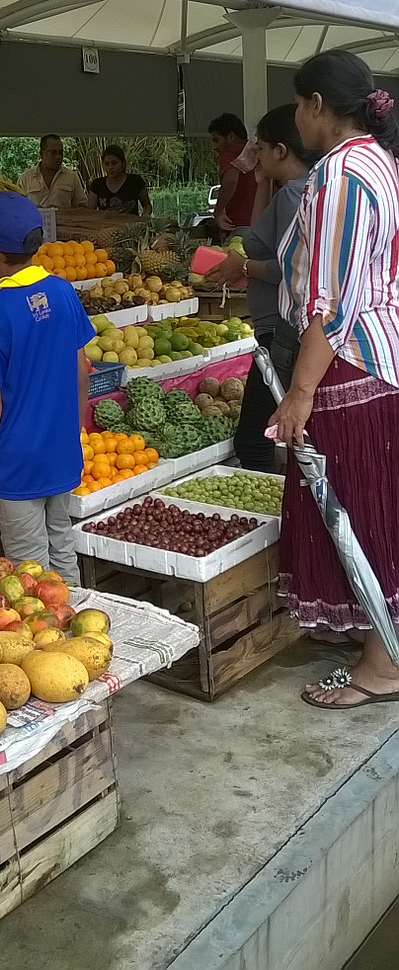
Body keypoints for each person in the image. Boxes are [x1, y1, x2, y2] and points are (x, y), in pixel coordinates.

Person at [270, 50, 399, 710]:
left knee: (358, 515)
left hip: (347, 362)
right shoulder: (379, 160)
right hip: (376, 358)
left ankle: (381, 666)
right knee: (377, 508)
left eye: (298, 105)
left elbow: (329, 303)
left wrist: (298, 393)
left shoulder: (343, 174)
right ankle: (383, 645)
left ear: (317, 104)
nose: (297, 118)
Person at [0, 192, 94, 582]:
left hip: (17, 463)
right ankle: (83, 631)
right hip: (61, 452)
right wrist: (74, 430)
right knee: (62, 549)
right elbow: (82, 371)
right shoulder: (64, 291)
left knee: (30, 572)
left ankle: (54, 642)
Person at [205, 105, 316, 472]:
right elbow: (258, 238)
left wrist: (243, 267)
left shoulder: (293, 196)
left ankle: (274, 517)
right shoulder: (300, 190)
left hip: (280, 331)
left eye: (261, 148)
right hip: (281, 328)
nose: (254, 156)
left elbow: (289, 268)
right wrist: (264, 181)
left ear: (281, 150)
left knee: (253, 440)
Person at [208, 112, 258, 232]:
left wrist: (218, 212)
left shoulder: (230, 152)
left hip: (238, 223)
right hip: (262, 222)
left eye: (217, 140)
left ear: (231, 137)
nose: (214, 147)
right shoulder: (257, 151)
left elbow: (231, 180)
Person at [18, 134, 87, 208]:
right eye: (53, 152)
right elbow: (18, 207)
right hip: (35, 219)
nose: (58, 156)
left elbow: (82, 205)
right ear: (41, 154)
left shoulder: (72, 177)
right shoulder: (25, 179)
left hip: (65, 219)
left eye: (60, 152)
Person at [87, 145, 152, 217]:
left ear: (123, 163)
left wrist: (145, 215)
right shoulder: (97, 185)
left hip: (131, 226)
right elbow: (91, 212)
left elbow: (147, 205)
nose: (110, 167)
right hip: (104, 226)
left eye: (114, 163)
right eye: (107, 164)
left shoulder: (135, 181)